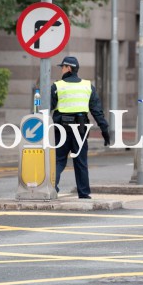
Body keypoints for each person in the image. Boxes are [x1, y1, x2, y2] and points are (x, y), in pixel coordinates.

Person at [51, 56, 110, 198]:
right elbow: (97, 111)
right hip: (80, 129)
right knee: (81, 161)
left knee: (58, 160)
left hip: (61, 129)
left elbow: (47, 108)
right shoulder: (88, 86)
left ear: (68, 68)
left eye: (63, 67)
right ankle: (84, 193)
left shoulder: (57, 86)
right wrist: (104, 130)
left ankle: (51, 188)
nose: (61, 70)